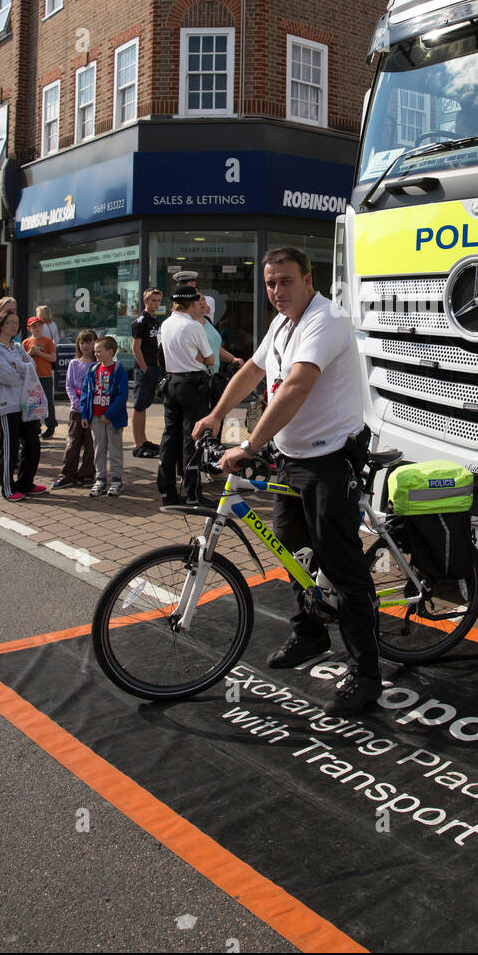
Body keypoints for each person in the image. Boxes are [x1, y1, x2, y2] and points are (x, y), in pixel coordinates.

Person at [193, 246, 381, 715]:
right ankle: (310, 634)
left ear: (308, 280)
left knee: (342, 567)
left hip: (330, 459)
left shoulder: (325, 320)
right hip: (293, 458)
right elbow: (254, 370)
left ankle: (366, 675)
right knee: (293, 553)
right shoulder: (282, 323)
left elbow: (296, 385)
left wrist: (248, 446)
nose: (277, 291)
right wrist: (217, 415)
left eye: (286, 281)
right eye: (271, 283)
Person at [0, 305, 47, 501]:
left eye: (16, 323)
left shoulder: (17, 347)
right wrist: (22, 368)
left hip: (25, 403)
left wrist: (18, 366)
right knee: (9, 448)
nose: (13, 326)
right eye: (9, 323)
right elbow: (6, 376)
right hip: (5, 404)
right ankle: (8, 488)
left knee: (32, 443)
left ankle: (26, 482)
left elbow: (32, 367)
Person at [156, 284, 213, 506]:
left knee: (170, 438)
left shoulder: (166, 324)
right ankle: (192, 493)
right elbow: (209, 359)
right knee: (193, 439)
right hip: (192, 385)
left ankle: (167, 492)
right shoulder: (194, 326)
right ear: (189, 302)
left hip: (171, 383)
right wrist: (197, 355)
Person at [80, 335, 128, 497]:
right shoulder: (93, 370)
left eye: (99, 351)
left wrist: (110, 414)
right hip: (96, 417)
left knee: (115, 449)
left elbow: (122, 395)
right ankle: (100, 478)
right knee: (98, 449)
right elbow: (86, 393)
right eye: (95, 351)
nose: (96, 354)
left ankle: (116, 479)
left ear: (110, 352)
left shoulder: (118, 369)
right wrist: (85, 414)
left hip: (112, 418)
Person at [51, 330, 97, 489]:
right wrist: (76, 402)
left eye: (89, 342)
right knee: (73, 443)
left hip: (93, 411)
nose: (85, 346)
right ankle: (67, 474)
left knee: (90, 445)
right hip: (76, 411)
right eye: (82, 342)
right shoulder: (74, 363)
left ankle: (87, 474)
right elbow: (69, 386)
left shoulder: (98, 365)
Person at [130, 287, 163, 457]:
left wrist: (156, 367)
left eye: (158, 300)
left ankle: (143, 440)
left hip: (153, 366)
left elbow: (155, 347)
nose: (155, 304)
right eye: (152, 300)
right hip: (144, 368)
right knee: (139, 405)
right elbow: (136, 348)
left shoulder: (155, 322)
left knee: (145, 405)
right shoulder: (140, 322)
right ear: (145, 301)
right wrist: (144, 369)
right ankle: (137, 444)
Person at [22, 315, 57, 438]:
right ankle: (35, 425)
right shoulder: (25, 343)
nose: (37, 328)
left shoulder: (47, 341)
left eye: (39, 326)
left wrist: (39, 353)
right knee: (33, 401)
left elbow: (53, 358)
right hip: (31, 377)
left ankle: (51, 425)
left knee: (47, 400)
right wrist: (30, 354)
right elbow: (21, 360)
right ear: (28, 328)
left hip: (45, 375)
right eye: (34, 326)